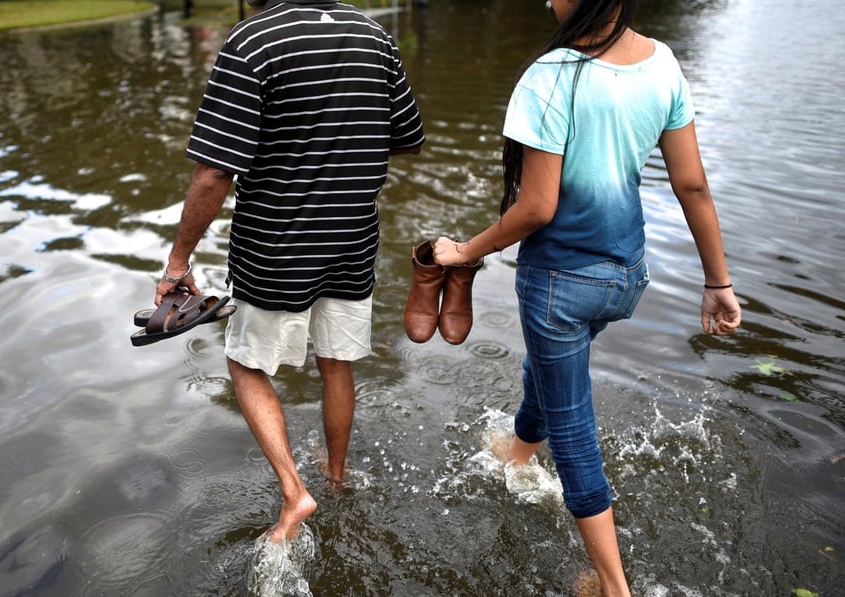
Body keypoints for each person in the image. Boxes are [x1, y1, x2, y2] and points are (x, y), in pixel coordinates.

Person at [430, 0, 741, 594]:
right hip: (625, 277)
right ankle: (519, 452)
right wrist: (717, 282)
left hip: (559, 283)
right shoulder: (662, 63)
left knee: (573, 430)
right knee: (547, 373)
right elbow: (692, 183)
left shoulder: (550, 76)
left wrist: (465, 251)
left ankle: (611, 584)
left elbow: (536, 207)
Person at [153, 0, 424, 543]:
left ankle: (295, 493)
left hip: (276, 245)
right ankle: (336, 476)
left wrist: (178, 261)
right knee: (337, 362)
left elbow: (212, 174)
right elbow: (406, 138)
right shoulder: (374, 36)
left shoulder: (252, 41)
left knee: (245, 362)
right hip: (352, 238)